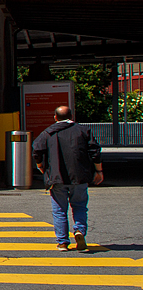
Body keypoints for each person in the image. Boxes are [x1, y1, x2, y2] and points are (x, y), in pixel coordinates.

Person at [32, 105, 103, 250]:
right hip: (79, 176)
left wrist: (41, 166)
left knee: (59, 210)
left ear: (55, 117)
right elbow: (95, 152)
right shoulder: (83, 130)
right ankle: (79, 231)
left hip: (57, 177)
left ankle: (63, 242)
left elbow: (37, 150)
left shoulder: (48, 132)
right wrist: (99, 171)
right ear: (72, 116)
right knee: (80, 206)